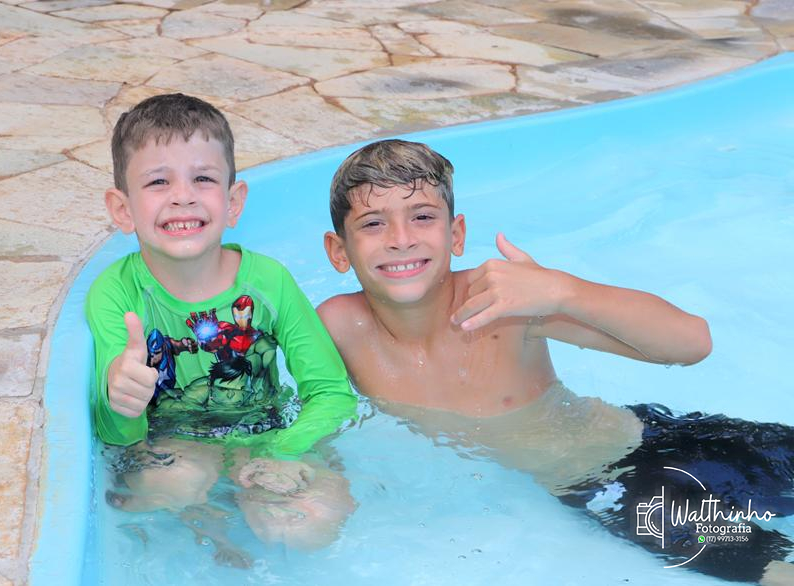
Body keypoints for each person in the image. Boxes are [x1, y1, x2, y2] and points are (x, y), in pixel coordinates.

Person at [317, 139, 794, 584]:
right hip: (613, 491)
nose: (401, 239)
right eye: (373, 223)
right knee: (774, 570)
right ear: (339, 251)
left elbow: (692, 343)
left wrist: (562, 291)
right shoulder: (338, 330)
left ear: (456, 234)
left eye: (422, 216)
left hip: (661, 434)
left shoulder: (502, 302)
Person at [86, 94, 357, 567]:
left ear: (233, 203)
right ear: (122, 209)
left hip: (267, 434)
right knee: (169, 484)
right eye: (158, 181)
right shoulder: (116, 293)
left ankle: (223, 515)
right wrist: (121, 399)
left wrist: (281, 450)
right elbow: (117, 435)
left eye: (203, 179)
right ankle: (203, 516)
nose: (183, 196)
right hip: (177, 445)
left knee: (310, 523)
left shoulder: (269, 282)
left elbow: (332, 394)